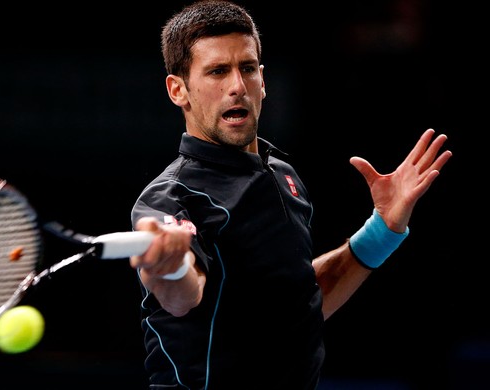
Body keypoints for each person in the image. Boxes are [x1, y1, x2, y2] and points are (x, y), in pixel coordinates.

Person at [128, 1, 452, 388]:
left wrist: (383, 229)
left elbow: (299, 303)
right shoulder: (169, 198)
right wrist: (170, 266)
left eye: (247, 68)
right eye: (217, 71)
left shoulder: (283, 177)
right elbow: (183, 297)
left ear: (262, 80)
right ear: (178, 90)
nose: (237, 86)